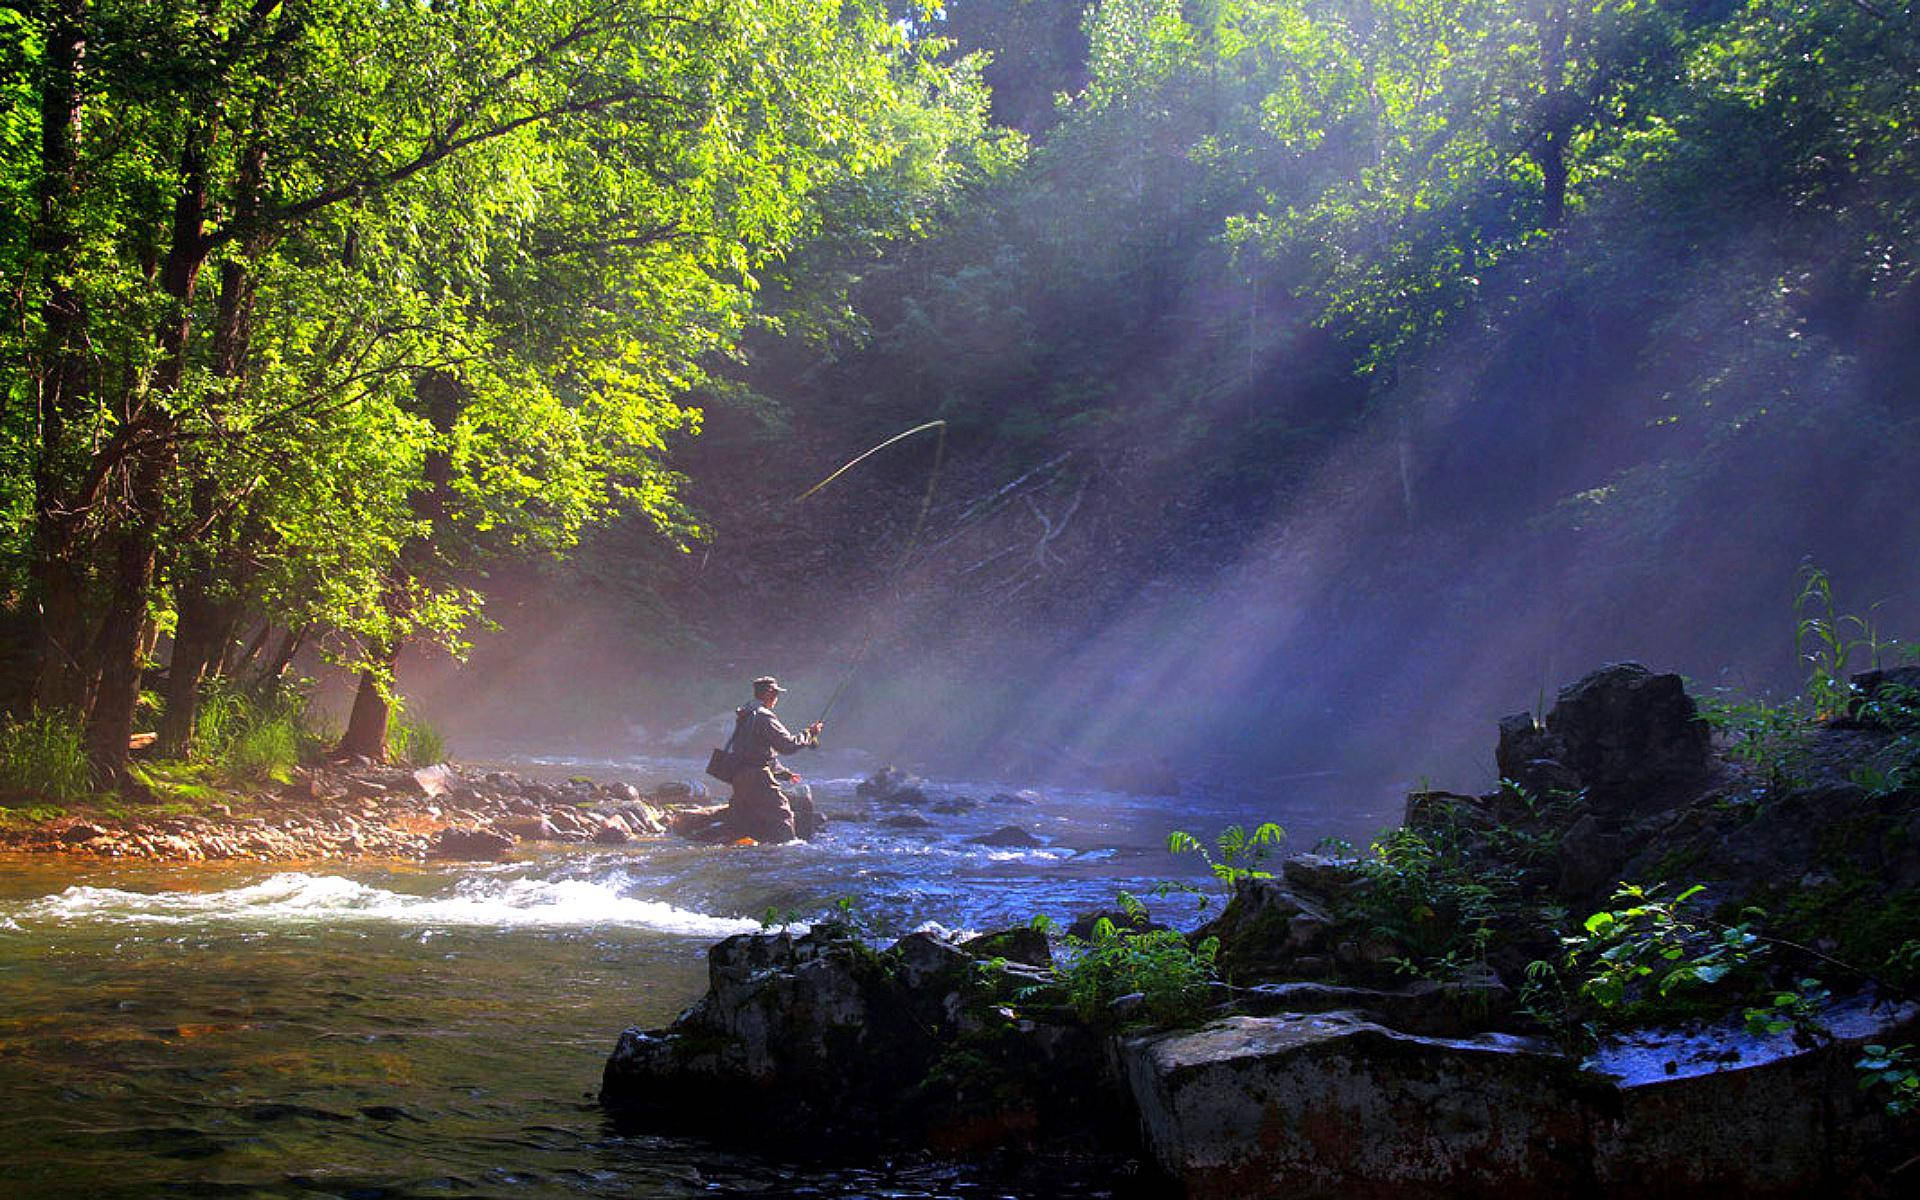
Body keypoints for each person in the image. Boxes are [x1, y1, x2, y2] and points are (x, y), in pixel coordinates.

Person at [721, 675, 825, 843]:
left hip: (739, 775)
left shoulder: (747, 712)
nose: (776, 698)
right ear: (769, 693)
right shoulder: (764, 717)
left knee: (745, 819)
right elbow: (787, 745)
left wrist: (784, 773)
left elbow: (756, 749)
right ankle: (785, 853)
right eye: (776, 694)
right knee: (782, 814)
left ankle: (743, 855)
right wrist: (810, 733)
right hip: (757, 777)